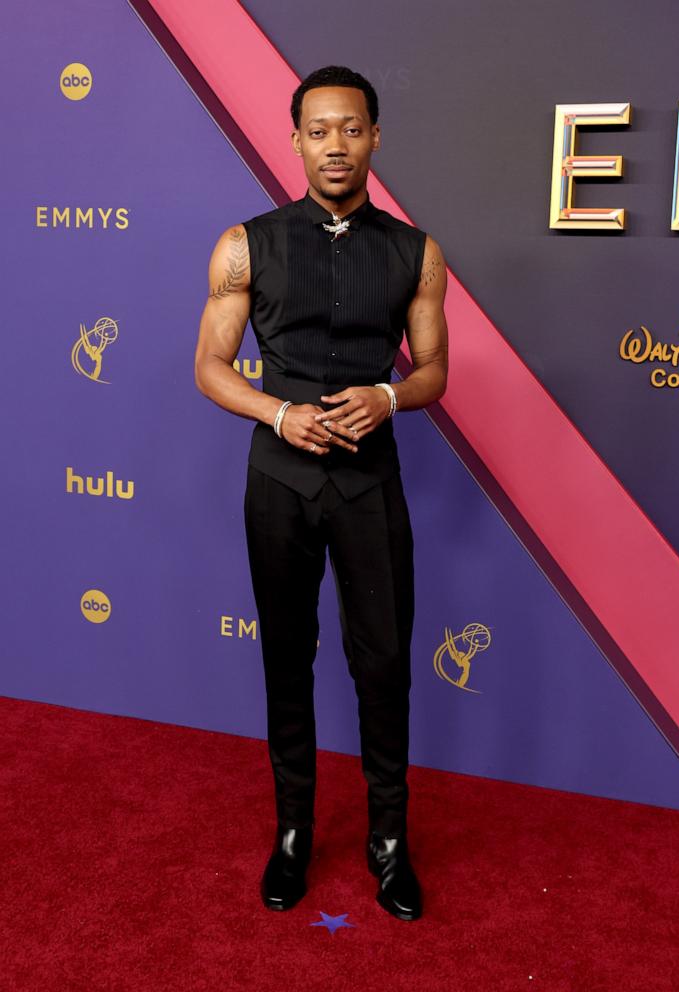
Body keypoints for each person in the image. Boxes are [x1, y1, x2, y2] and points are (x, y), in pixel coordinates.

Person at [194, 65, 448, 922]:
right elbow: (209, 367)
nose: (334, 144)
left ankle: (388, 844)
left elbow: (434, 371)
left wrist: (388, 396)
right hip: (280, 483)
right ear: (295, 138)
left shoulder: (416, 252)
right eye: (318, 129)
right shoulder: (245, 244)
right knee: (285, 660)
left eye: (350, 128)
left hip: (370, 484)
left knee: (383, 665)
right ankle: (294, 835)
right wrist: (277, 413)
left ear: (375, 137)